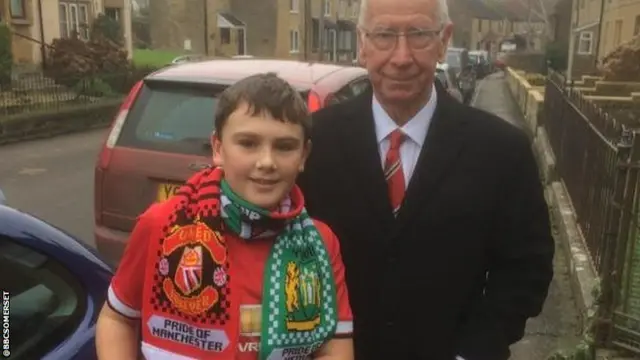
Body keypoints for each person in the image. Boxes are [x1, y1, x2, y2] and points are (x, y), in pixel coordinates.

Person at [296, 0, 555, 358]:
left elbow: (526, 269)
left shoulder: (501, 150)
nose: (401, 58)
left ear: (444, 40)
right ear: (362, 43)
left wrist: (473, 350)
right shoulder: (313, 143)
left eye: (418, 35)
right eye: (385, 35)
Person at [96, 73, 354, 360]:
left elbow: (333, 346)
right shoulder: (162, 225)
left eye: (284, 146)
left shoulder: (320, 243)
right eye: (248, 143)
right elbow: (117, 318)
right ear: (218, 148)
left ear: (304, 155)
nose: (266, 162)